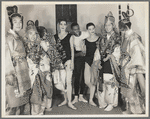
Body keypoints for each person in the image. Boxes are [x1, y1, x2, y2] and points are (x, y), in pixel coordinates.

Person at [5, 5, 31, 115]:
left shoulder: (17, 36)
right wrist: (9, 74)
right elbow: (7, 58)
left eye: (20, 22)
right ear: (11, 22)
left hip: (22, 72)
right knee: (13, 106)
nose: (18, 24)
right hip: (15, 74)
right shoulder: (9, 37)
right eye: (15, 22)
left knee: (22, 104)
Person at [119, 9, 145, 114]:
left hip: (132, 67)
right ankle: (130, 109)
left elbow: (137, 55)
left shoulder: (134, 38)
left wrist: (131, 66)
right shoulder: (127, 36)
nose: (121, 31)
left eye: (122, 29)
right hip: (126, 65)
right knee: (128, 90)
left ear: (126, 28)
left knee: (133, 89)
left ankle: (136, 110)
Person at [94, 11, 121, 111]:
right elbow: (98, 49)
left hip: (111, 62)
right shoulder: (102, 37)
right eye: (105, 25)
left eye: (109, 25)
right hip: (102, 61)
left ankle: (111, 102)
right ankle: (102, 102)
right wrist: (97, 61)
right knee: (101, 81)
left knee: (110, 82)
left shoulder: (117, 37)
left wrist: (110, 56)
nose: (107, 27)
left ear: (113, 25)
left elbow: (118, 51)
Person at [24, 20, 53, 115]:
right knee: (35, 95)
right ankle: (35, 113)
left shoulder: (39, 45)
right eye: (30, 33)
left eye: (35, 33)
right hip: (31, 74)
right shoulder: (25, 46)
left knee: (44, 92)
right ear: (27, 34)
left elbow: (47, 56)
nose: (33, 35)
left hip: (41, 72)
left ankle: (41, 112)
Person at [53, 19, 76, 110]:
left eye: (64, 24)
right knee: (62, 82)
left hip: (68, 61)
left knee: (68, 81)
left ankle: (70, 102)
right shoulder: (55, 37)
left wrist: (72, 62)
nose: (62, 26)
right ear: (58, 25)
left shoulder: (70, 36)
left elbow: (72, 50)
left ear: (66, 26)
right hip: (59, 62)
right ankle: (65, 99)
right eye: (61, 24)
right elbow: (54, 51)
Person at [70, 22, 89, 104]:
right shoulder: (72, 37)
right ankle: (76, 96)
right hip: (77, 57)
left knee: (84, 76)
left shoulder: (85, 34)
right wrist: (79, 54)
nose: (76, 31)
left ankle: (81, 95)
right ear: (72, 30)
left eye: (77, 28)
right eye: (74, 30)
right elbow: (71, 52)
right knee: (77, 77)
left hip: (86, 56)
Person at [84, 22, 101, 107]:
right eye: (90, 29)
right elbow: (84, 52)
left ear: (95, 28)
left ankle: (91, 99)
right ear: (87, 30)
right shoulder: (85, 40)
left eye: (93, 28)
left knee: (94, 81)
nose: (92, 30)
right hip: (87, 61)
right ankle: (95, 92)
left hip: (96, 62)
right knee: (86, 81)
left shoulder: (99, 39)